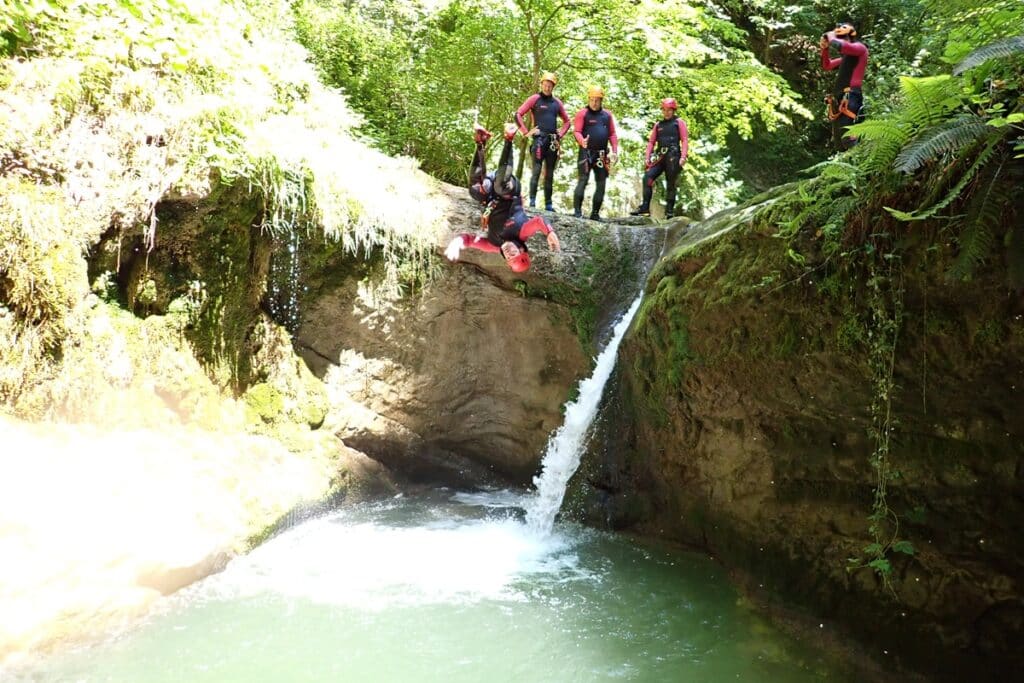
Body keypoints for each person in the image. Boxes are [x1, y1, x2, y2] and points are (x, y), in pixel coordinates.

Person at [446, 123, 561, 273]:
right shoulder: (522, 233)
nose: (508, 253)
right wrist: (550, 233)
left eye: (508, 257)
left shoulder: (493, 245)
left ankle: (481, 141)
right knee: (502, 186)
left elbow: (468, 240)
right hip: (508, 187)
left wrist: (456, 242)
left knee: (475, 191)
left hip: (491, 193)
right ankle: (509, 138)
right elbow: (539, 222)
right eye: (513, 254)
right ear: (521, 248)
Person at [515, 72, 572, 212]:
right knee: (536, 170)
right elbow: (518, 114)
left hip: (552, 141)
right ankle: (533, 203)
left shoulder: (556, 103)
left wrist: (560, 133)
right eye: (545, 85)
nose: (547, 87)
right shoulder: (535, 99)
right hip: (539, 140)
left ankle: (548, 204)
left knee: (550, 173)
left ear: (553, 87)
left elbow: (567, 122)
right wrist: (525, 132)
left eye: (550, 85)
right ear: (541, 84)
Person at [630, 98, 688, 219]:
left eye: (669, 110)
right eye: (664, 110)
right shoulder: (658, 125)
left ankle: (669, 212)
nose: (666, 112)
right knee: (648, 177)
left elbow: (684, 140)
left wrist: (683, 157)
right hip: (660, 156)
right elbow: (651, 142)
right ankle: (645, 208)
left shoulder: (679, 122)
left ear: (673, 110)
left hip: (673, 156)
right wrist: (647, 157)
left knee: (671, 183)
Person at [571, 85, 619, 221]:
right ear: (589, 99)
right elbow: (577, 131)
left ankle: (595, 213)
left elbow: (612, 134)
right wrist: (582, 141)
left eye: (597, 100)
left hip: (602, 154)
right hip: (586, 152)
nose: (594, 102)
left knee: (601, 182)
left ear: (601, 100)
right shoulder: (583, 113)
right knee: (583, 180)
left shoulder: (607, 115)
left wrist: (614, 150)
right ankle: (577, 212)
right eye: (592, 99)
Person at [820, 21, 868, 150]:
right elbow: (827, 65)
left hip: (851, 96)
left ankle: (860, 166)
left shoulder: (860, 48)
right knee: (840, 144)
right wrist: (824, 49)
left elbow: (842, 47)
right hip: (840, 98)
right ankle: (848, 167)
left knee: (848, 139)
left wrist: (830, 37)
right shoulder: (846, 57)